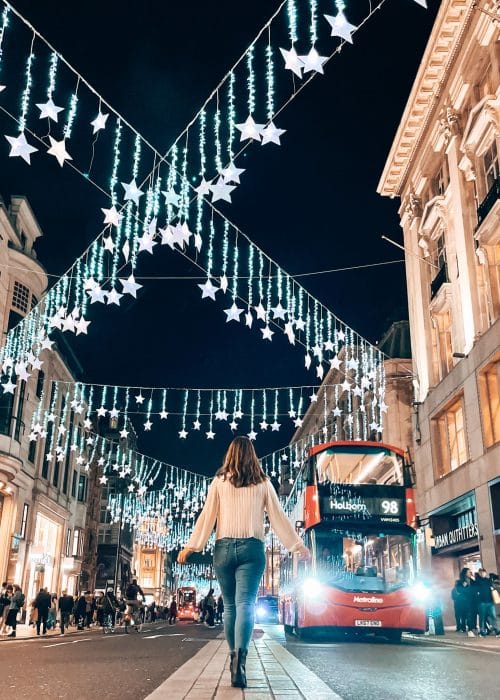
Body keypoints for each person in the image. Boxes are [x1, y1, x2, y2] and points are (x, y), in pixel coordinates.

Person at [177, 436, 310, 689]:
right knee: (245, 604)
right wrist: (297, 545)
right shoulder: (263, 483)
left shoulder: (219, 482)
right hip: (252, 548)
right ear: (253, 456)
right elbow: (278, 516)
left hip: (224, 548)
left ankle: (232, 657)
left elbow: (208, 515)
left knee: (229, 607)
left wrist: (191, 546)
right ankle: (241, 661)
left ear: (229, 456)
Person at [475, 568, 498, 637]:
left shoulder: (488, 580)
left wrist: (492, 588)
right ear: (479, 573)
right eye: (480, 572)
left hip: (490, 601)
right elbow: (475, 591)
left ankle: (497, 630)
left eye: (483, 572)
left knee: (493, 616)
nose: (482, 574)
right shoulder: (477, 581)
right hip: (482, 602)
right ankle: (482, 631)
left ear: (485, 573)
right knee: (482, 618)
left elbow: (493, 588)